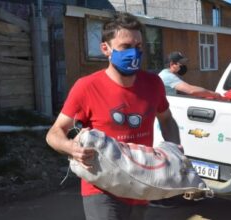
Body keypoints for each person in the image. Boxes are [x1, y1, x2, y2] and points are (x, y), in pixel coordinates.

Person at [46, 12, 180, 220]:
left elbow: (167, 119)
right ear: (105, 49)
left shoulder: (153, 84)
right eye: (126, 47)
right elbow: (54, 133)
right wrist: (73, 148)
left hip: (140, 184)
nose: (134, 53)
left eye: (138, 47)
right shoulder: (87, 87)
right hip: (101, 187)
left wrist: (175, 153)